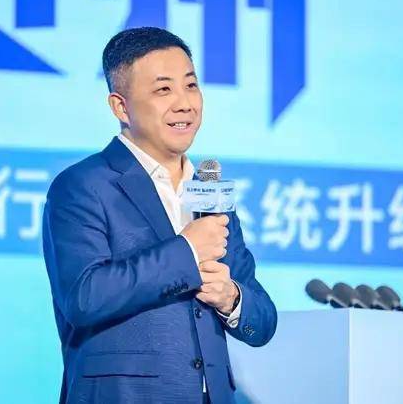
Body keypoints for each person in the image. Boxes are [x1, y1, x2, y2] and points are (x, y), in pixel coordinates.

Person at [42, 26, 277, 404]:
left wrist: (231, 298)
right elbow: (84, 298)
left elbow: (263, 320)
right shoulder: (82, 185)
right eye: (164, 89)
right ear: (120, 107)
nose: (184, 103)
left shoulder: (210, 194)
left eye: (191, 85)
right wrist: (187, 252)